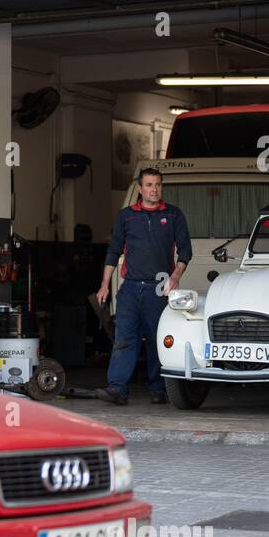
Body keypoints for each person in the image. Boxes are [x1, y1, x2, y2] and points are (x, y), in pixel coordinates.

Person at [94, 167, 192, 405]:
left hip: (158, 286)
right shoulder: (126, 216)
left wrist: (176, 275)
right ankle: (117, 388)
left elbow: (185, 251)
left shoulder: (173, 215)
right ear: (140, 189)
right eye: (149, 185)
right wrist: (105, 284)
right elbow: (114, 251)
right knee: (124, 337)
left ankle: (159, 389)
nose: (154, 189)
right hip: (130, 287)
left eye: (157, 184)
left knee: (158, 339)